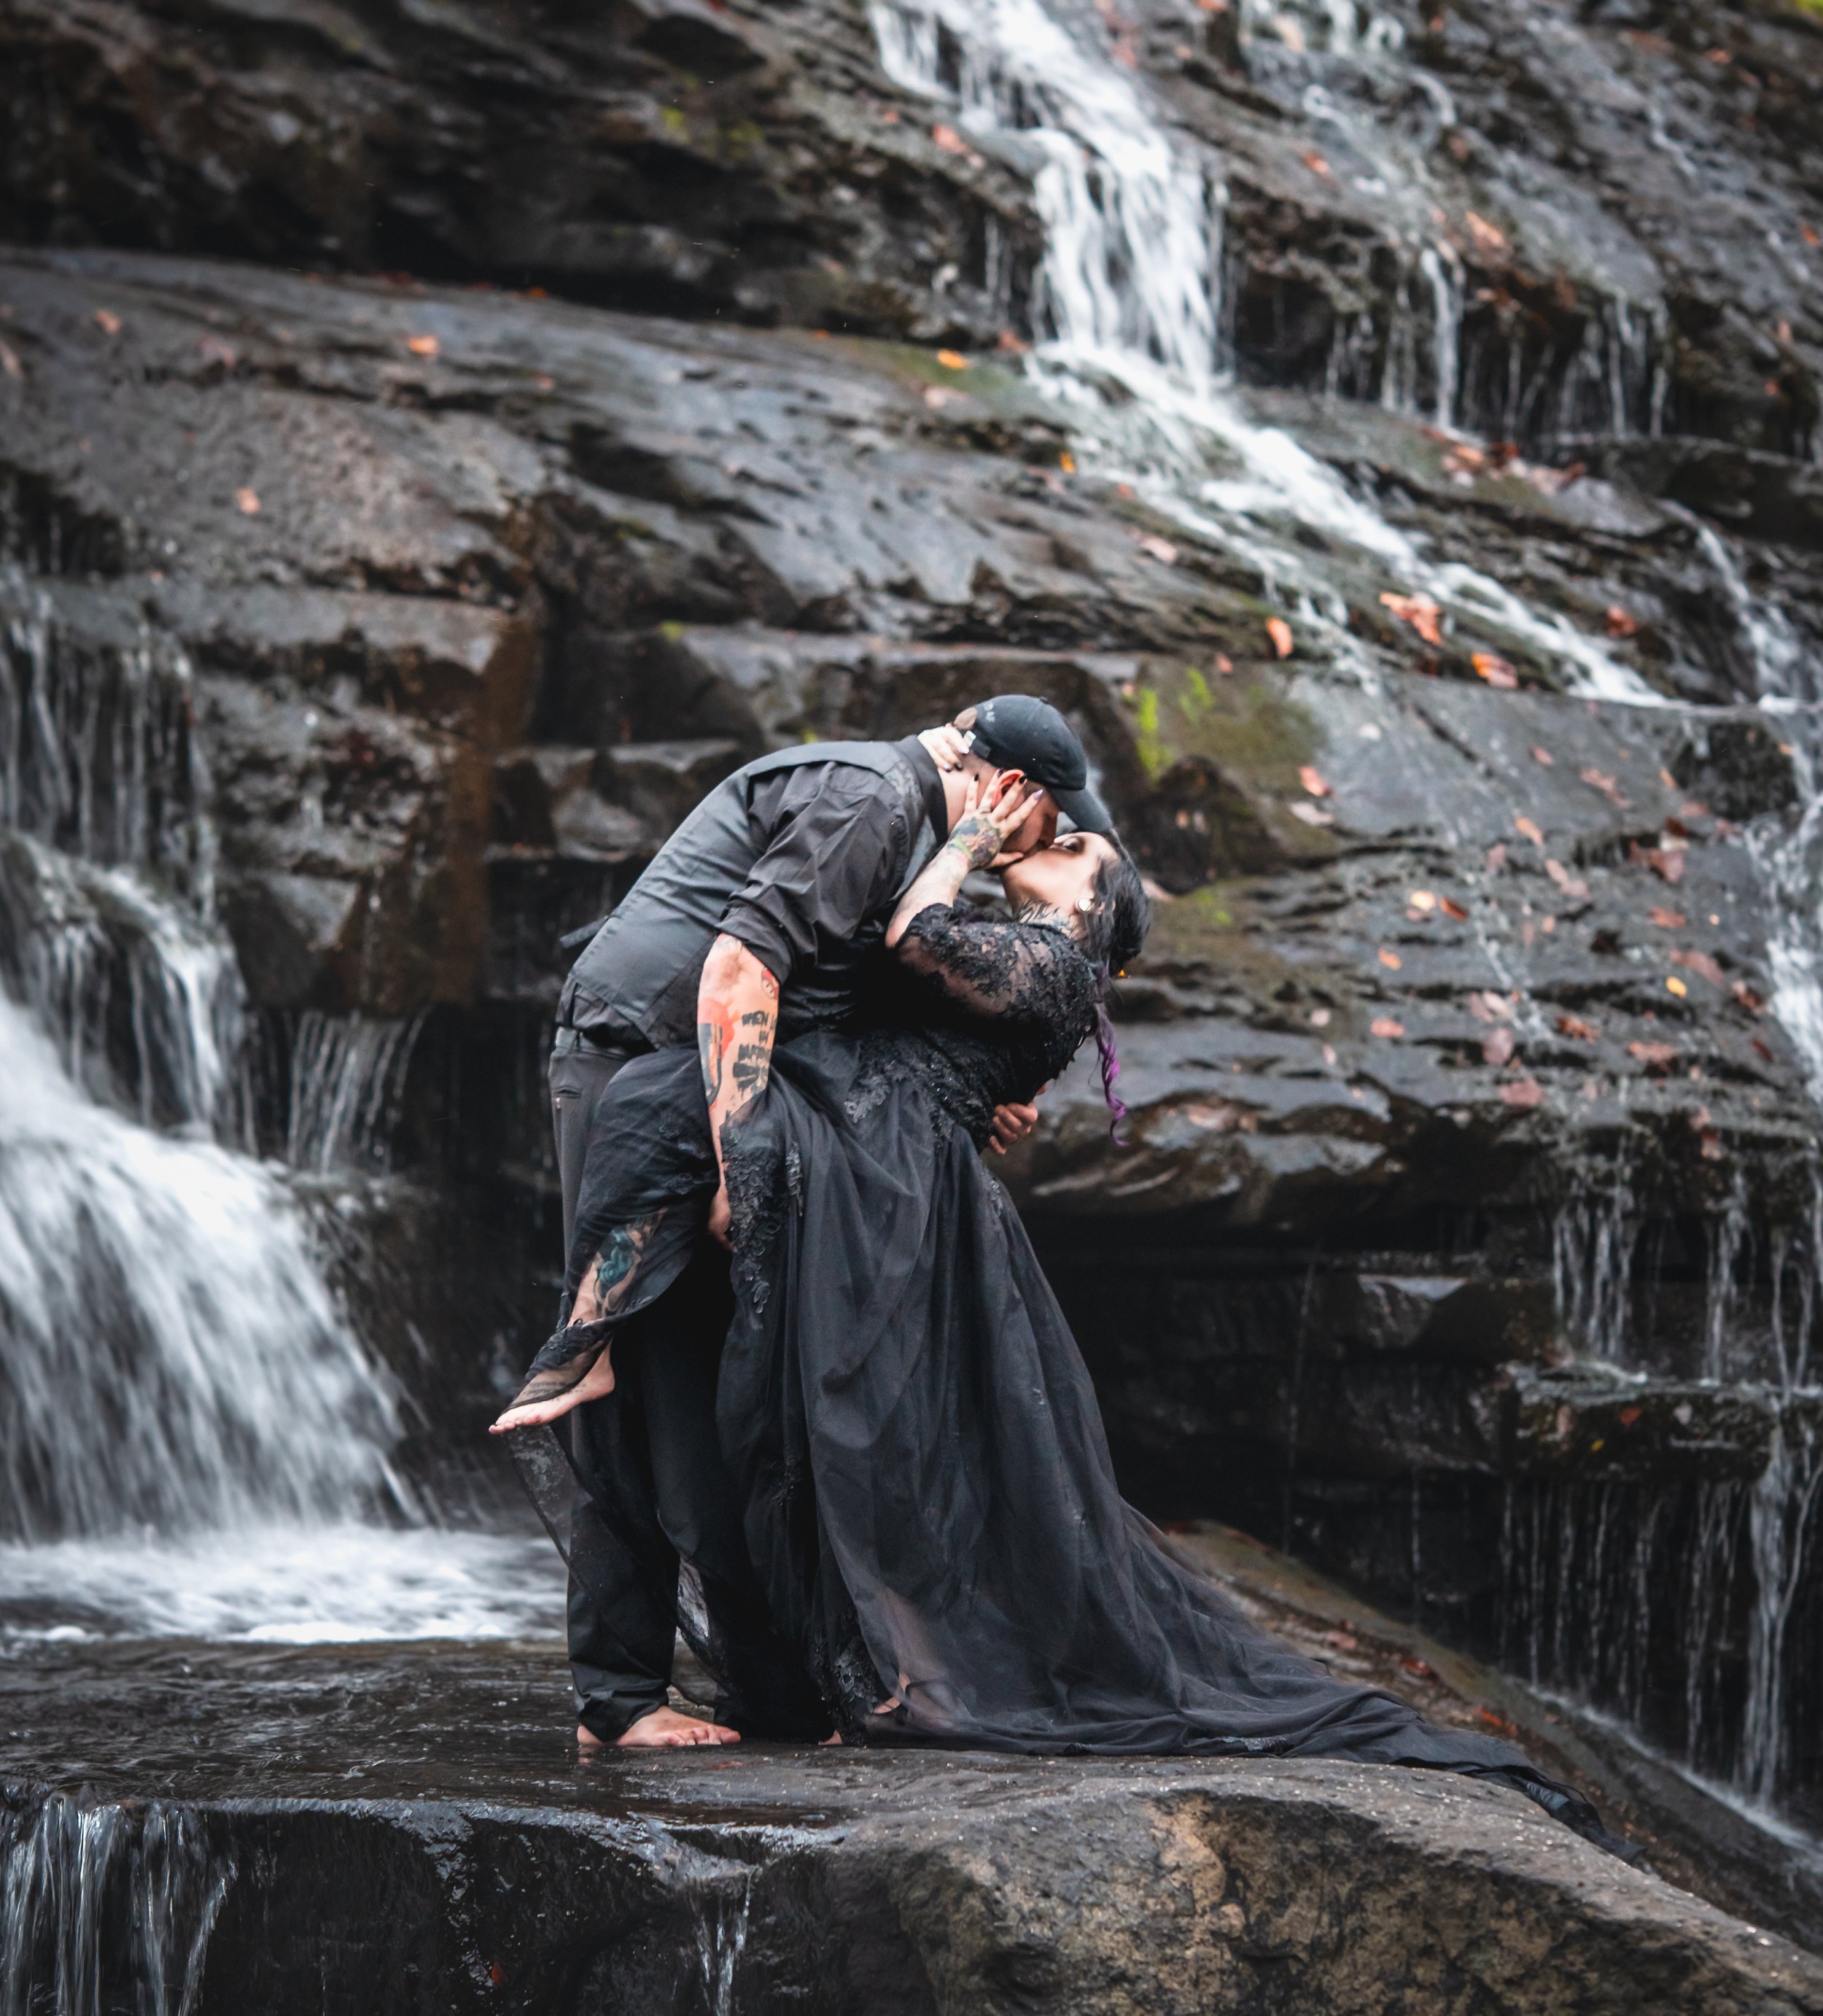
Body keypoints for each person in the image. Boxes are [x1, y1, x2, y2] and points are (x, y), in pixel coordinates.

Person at [498, 781, 1611, 1843]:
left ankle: (832, 1632)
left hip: (886, 1184)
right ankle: (601, 1355)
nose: (1057, 838)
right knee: (796, 1357)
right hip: (871, 1154)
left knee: (854, 1429)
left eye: (1077, 849)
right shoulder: (1026, 960)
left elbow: (915, 940)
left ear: (1093, 908)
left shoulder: (1052, 962)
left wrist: (967, 840)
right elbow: (909, 992)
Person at [531, 697, 1116, 1750]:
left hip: (703, 1092)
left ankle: (767, 1694)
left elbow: (839, 989)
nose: (1028, 851)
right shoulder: (874, 799)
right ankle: (617, 1697)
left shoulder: (907, 827)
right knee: (647, 1383)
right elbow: (739, 973)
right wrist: (739, 1161)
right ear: (1012, 791)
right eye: (1049, 825)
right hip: (642, 1079)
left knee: (725, 1400)